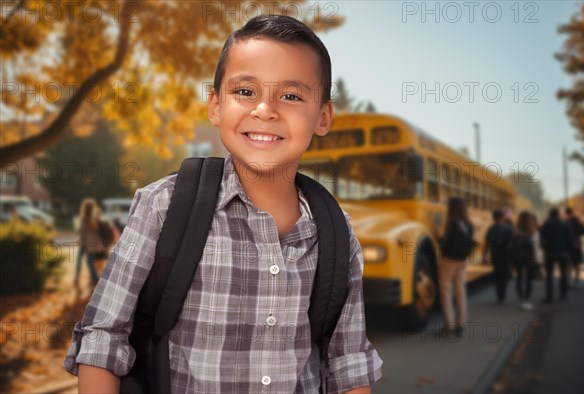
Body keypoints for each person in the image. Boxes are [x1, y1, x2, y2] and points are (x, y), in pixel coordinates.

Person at [63, 15, 382, 393]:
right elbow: (103, 337)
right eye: (245, 92)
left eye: (292, 95)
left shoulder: (334, 230)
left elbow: (348, 362)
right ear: (215, 105)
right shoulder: (163, 207)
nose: (266, 109)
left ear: (323, 117)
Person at [439, 196, 474, 337]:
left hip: (449, 260)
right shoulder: (468, 224)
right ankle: (461, 325)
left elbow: (445, 243)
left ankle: (450, 325)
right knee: (460, 291)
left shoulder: (451, 223)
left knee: (446, 292)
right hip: (463, 261)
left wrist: (437, 236)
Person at [539, 207, 576, 302]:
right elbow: (570, 239)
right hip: (563, 253)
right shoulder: (564, 224)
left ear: (550, 214)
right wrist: (571, 252)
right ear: (558, 214)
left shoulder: (546, 224)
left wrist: (544, 248)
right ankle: (563, 294)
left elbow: (541, 238)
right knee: (563, 273)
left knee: (549, 275)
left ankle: (549, 296)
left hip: (550, 253)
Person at [484, 209, 513, 304]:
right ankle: (502, 296)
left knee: (497, 274)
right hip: (505, 255)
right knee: (503, 276)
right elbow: (511, 244)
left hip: (495, 254)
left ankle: (499, 296)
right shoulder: (507, 228)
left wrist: (485, 256)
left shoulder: (491, 229)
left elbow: (487, 243)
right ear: (502, 217)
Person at [510, 211, 538, 310]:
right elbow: (535, 247)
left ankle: (521, 299)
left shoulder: (515, 231)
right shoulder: (532, 231)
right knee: (529, 280)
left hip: (517, 258)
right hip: (529, 258)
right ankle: (526, 299)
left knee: (519, 278)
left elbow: (512, 247)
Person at [74, 198, 104, 288]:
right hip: (91, 244)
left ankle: (92, 279)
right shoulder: (93, 218)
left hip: (85, 243)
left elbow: (82, 232)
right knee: (89, 262)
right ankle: (94, 278)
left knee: (82, 261)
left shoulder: (85, 219)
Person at [565, 207, 584, 287]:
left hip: (569, 246)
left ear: (567, 214)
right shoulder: (577, 221)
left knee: (570, 263)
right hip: (576, 244)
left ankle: (569, 280)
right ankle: (576, 280)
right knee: (576, 263)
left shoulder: (566, 222)